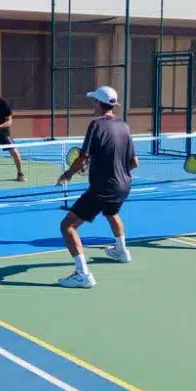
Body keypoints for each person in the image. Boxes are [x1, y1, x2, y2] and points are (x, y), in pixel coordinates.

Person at [56, 85, 138, 289]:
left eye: (94, 101)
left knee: (67, 226)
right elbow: (134, 162)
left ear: (99, 104)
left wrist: (68, 174)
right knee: (111, 212)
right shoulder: (124, 126)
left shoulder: (96, 125)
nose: (93, 105)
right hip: (124, 185)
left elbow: (83, 158)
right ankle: (121, 251)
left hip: (103, 187)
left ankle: (82, 274)